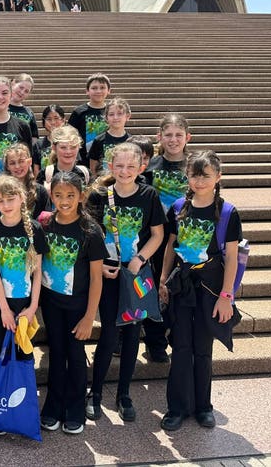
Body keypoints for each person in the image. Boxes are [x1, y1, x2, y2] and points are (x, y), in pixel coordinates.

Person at [159, 151, 242, 431]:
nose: (200, 180)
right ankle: (177, 407)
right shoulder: (180, 206)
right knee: (181, 346)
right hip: (182, 286)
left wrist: (226, 296)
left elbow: (231, 256)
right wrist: (162, 281)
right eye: (195, 174)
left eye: (206, 175)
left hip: (210, 289)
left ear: (218, 177)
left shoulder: (228, 212)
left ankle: (203, 406)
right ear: (187, 176)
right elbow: (171, 245)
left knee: (203, 348)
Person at [84, 142, 166, 422]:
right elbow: (90, 234)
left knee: (133, 333)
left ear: (141, 167)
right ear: (110, 166)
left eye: (131, 166)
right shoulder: (98, 196)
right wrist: (100, 265)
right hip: (109, 275)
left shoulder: (148, 195)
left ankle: (124, 394)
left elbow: (157, 234)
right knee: (108, 332)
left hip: (135, 275)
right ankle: (94, 392)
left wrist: (140, 259)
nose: (125, 171)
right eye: (119, 166)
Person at [39, 172, 105, 435]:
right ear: (51, 195)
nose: (64, 201)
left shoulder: (90, 231)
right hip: (51, 303)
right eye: (58, 195)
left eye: (70, 195)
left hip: (78, 305)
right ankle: (53, 406)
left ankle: (75, 409)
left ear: (81, 196)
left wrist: (90, 316)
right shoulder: (44, 224)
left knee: (76, 355)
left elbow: (97, 279)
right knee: (56, 353)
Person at [0, 175, 48, 358]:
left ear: (22, 197)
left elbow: (37, 272)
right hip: (0, 304)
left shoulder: (34, 229)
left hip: (26, 302)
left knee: (24, 352)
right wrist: (4, 309)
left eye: (11, 199)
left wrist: (33, 307)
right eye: (0, 201)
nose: (6, 205)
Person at [143, 113, 192, 363]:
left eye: (178, 135)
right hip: (157, 238)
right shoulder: (151, 167)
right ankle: (155, 341)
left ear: (187, 137)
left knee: (180, 290)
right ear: (159, 137)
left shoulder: (195, 166)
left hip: (188, 239)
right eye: (168, 135)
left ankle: (178, 336)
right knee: (154, 289)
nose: (173, 140)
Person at [68, 73, 112, 166]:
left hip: (107, 159)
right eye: (94, 88)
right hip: (83, 160)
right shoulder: (79, 112)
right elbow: (70, 135)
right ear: (87, 91)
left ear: (109, 91)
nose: (98, 91)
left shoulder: (112, 111)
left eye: (102, 87)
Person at [3, 143, 51, 220]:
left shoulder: (41, 191)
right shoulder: (2, 191)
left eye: (21, 161)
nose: (17, 166)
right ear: (7, 166)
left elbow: (47, 221)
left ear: (29, 162)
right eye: (12, 163)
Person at [89, 97, 132, 177]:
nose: (115, 117)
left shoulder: (131, 141)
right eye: (111, 114)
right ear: (106, 118)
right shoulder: (99, 140)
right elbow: (93, 167)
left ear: (128, 116)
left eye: (120, 113)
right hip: (105, 184)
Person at [33, 104, 65, 177]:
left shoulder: (69, 142)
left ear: (63, 120)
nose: (53, 122)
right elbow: (36, 170)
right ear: (44, 122)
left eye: (56, 118)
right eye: (49, 119)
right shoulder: (38, 144)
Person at [9, 73, 39, 141]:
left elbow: (34, 137)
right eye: (21, 87)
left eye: (26, 91)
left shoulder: (29, 113)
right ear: (13, 83)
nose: (22, 92)